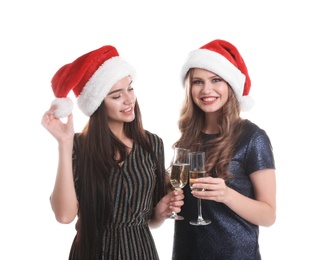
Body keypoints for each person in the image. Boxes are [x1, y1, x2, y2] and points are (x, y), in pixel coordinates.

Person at [41, 45, 184, 260]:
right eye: (116, 95)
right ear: (98, 104)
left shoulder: (152, 144)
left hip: (140, 251)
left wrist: (160, 212)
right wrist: (64, 143)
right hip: (92, 252)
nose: (129, 99)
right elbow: (64, 215)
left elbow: (151, 221)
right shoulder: (78, 146)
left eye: (130, 88)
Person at [172, 39, 276, 260]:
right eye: (198, 81)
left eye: (216, 79)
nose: (206, 89)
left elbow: (268, 215)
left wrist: (227, 195)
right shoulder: (188, 138)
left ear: (230, 84)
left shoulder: (252, 137)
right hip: (186, 253)